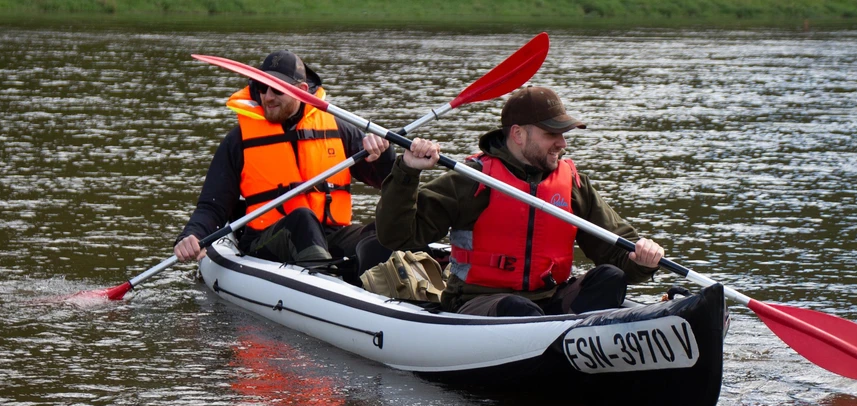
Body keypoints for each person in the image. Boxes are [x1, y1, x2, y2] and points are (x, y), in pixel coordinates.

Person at [374, 86, 666, 317]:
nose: (562, 143)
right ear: (518, 134)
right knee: (517, 308)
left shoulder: (573, 183)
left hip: (549, 299)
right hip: (481, 301)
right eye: (552, 133)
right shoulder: (472, 179)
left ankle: (566, 345)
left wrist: (642, 260)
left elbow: (616, 251)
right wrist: (408, 171)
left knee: (611, 278)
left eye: (563, 134)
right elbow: (398, 236)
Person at [174, 50, 395, 270]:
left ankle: (391, 286)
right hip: (266, 239)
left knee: (380, 234)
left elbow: (386, 179)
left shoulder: (338, 129)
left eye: (277, 89)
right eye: (261, 87)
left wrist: (383, 153)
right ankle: (327, 279)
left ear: (302, 91)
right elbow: (213, 206)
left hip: (330, 236)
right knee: (302, 218)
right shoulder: (238, 140)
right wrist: (192, 235)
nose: (267, 96)